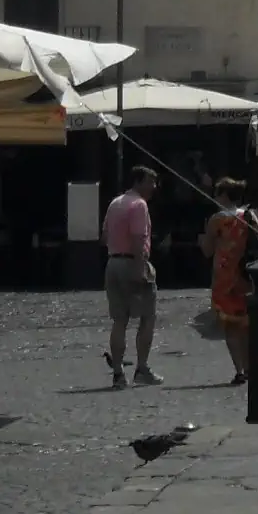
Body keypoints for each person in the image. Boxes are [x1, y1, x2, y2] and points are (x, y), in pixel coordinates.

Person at [199, 178, 258, 386]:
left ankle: (239, 370)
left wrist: (207, 240)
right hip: (247, 277)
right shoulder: (250, 216)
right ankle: (252, 366)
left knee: (230, 327)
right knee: (248, 325)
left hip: (225, 278)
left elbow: (207, 251)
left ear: (223, 196)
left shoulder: (217, 220)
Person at [104, 165, 162, 386]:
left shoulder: (115, 202)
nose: (154, 187)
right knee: (148, 317)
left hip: (113, 263)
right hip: (132, 262)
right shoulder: (139, 205)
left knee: (119, 320)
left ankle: (118, 374)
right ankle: (142, 369)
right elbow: (139, 239)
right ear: (138, 182)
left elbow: (105, 235)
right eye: (151, 181)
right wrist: (141, 268)